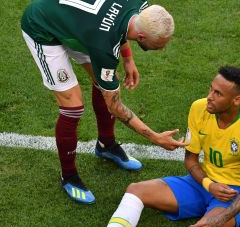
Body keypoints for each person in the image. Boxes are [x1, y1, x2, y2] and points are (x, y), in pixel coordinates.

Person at [56, 66, 240, 227]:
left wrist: (222, 218)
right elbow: (191, 160)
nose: (210, 96)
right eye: (211, 88)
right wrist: (208, 184)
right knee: (136, 190)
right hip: (203, 183)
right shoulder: (199, 108)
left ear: (236, 100)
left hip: (235, 192)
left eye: (218, 93)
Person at [21, 0, 187, 204]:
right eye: (159, 45)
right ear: (142, 37)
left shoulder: (137, 6)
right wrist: (155, 137)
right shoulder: (104, 47)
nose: (162, 49)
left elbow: (120, 24)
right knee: (73, 107)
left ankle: (106, 145)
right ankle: (69, 176)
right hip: (44, 28)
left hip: (82, 25)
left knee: (105, 83)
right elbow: (114, 106)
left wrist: (128, 59)